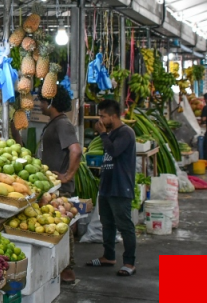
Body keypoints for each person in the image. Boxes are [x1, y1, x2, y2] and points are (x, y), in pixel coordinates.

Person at [36, 89, 82, 285]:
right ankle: (60, 269)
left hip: (60, 188)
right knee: (57, 225)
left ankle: (67, 270)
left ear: (50, 102)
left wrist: (67, 175)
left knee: (62, 227)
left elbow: (76, 150)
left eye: (41, 101)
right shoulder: (55, 123)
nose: (39, 105)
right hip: (52, 186)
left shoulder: (63, 124)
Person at [88, 99, 137, 277]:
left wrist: (102, 134)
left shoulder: (126, 133)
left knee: (124, 225)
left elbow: (114, 151)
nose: (100, 120)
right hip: (107, 186)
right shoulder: (112, 133)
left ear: (113, 116)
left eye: (103, 116)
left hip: (120, 187)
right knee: (107, 223)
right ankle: (108, 256)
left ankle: (129, 263)